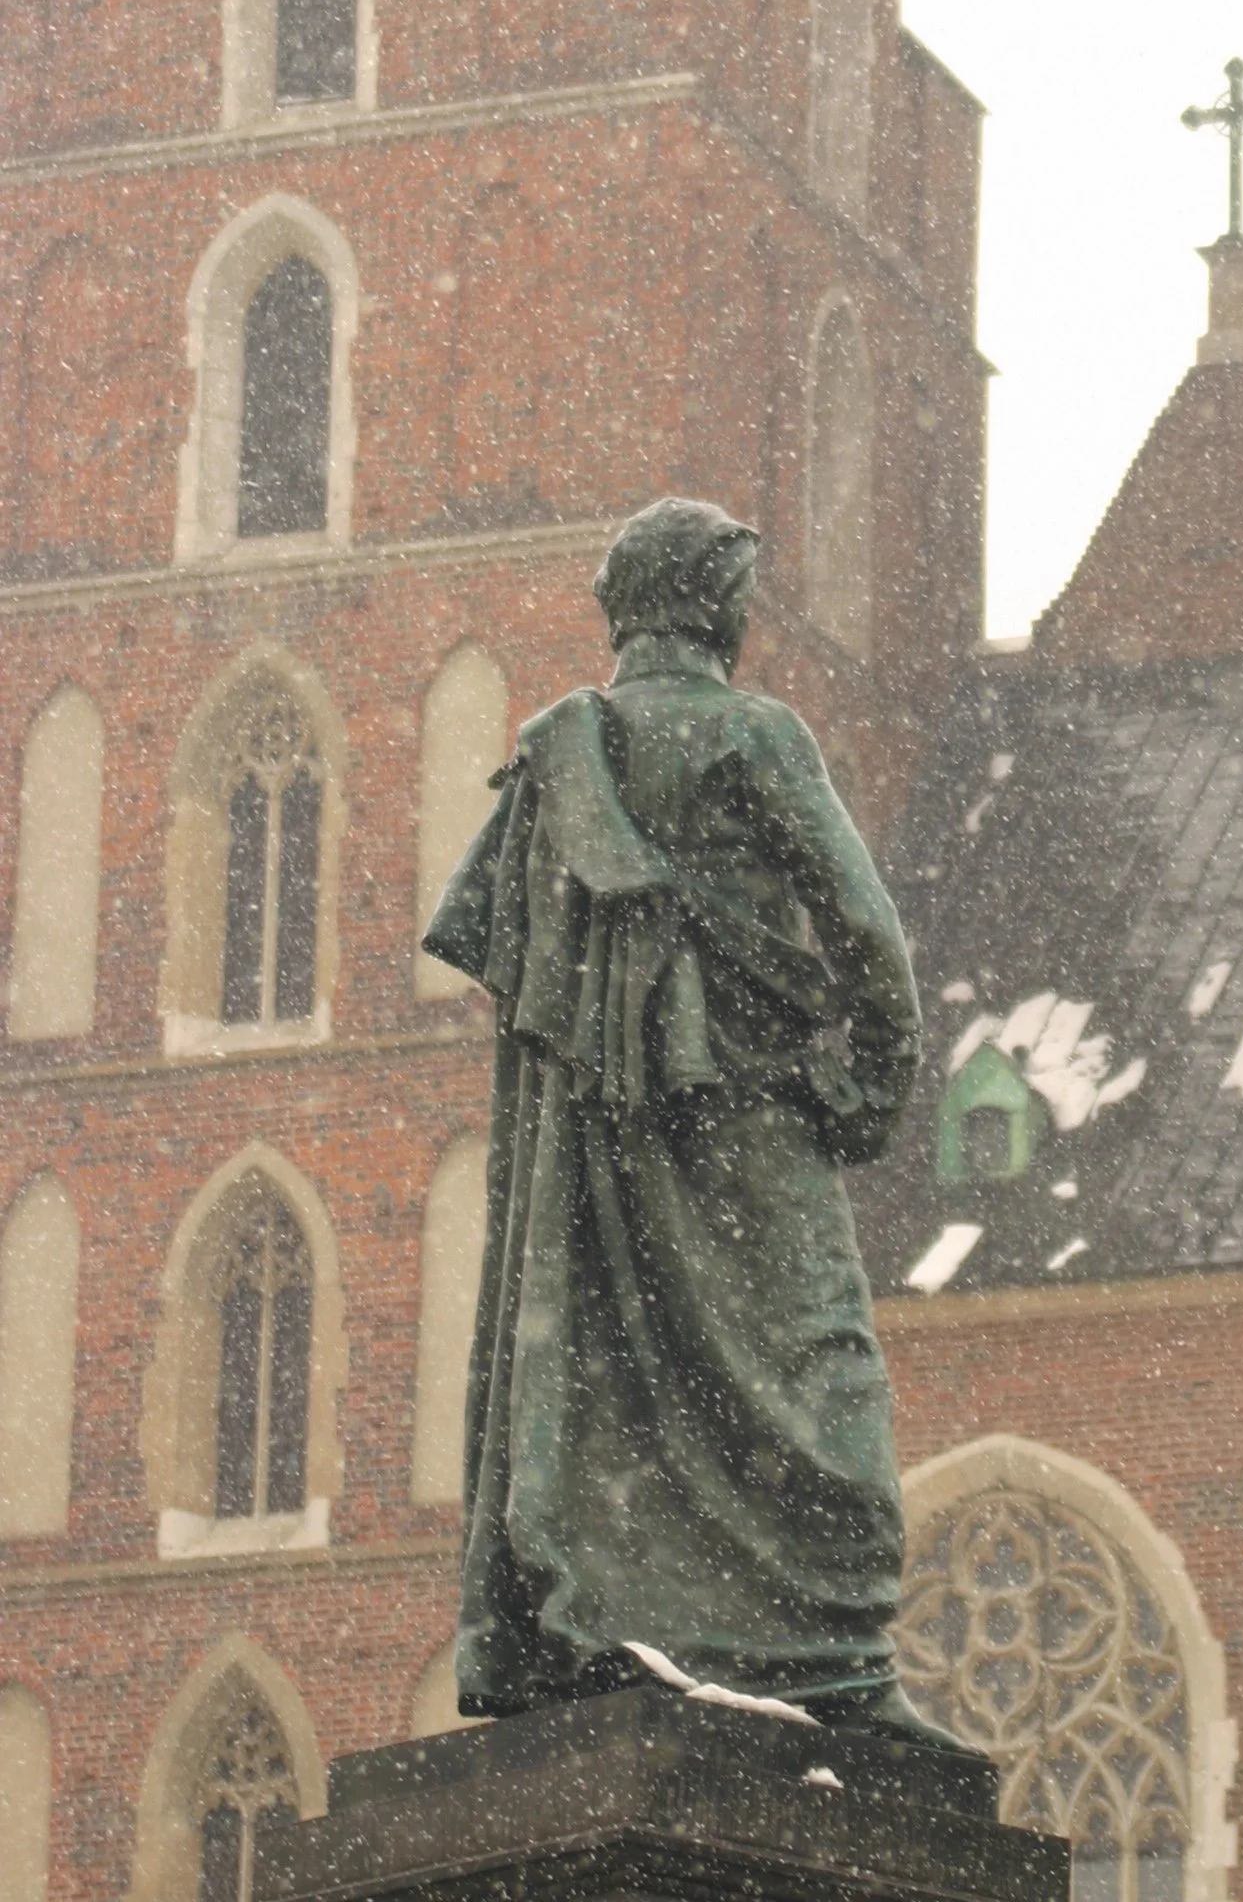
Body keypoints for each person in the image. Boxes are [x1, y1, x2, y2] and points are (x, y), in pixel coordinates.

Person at [425, 495, 953, 1743]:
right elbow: (867, 933)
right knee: (821, 1377)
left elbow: (505, 965)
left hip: (597, 1143)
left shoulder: (552, 759)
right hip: (745, 1121)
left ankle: (593, 1630)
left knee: (609, 1381)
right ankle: (836, 1671)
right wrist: (869, 1085)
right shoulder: (754, 737)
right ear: (719, 606)